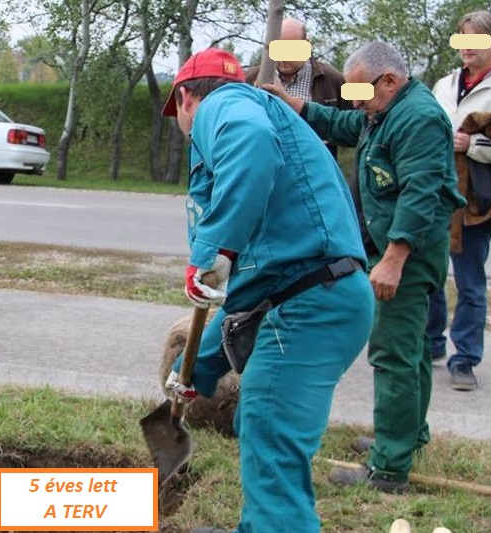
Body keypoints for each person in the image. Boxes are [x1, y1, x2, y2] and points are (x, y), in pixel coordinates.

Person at [161, 48, 374, 533]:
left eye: (179, 115)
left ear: (186, 97)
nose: (185, 127)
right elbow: (252, 294)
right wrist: (201, 366)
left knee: (271, 434)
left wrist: (214, 249)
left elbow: (251, 143)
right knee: (261, 429)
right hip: (311, 296)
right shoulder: (267, 120)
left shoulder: (227, 106)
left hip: (311, 303)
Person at [263, 41, 466, 493]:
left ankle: (389, 468)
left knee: (392, 354)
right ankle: (407, 434)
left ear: (389, 80)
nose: (355, 102)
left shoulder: (418, 119)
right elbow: (346, 123)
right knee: (410, 350)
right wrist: (290, 100)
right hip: (403, 248)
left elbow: (421, 194)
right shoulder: (386, 111)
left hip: (408, 255)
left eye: (360, 92)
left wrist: (393, 260)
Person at [427, 10, 491, 391]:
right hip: (436, 191)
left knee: (470, 282)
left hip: (479, 196)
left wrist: (476, 145)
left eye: (476, 41)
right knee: (428, 273)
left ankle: (465, 359)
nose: (466, 48)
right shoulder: (444, 85)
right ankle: (431, 344)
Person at [244, 18, 352, 158]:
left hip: (316, 172)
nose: (283, 57)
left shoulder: (334, 79)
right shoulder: (249, 79)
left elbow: (359, 126)